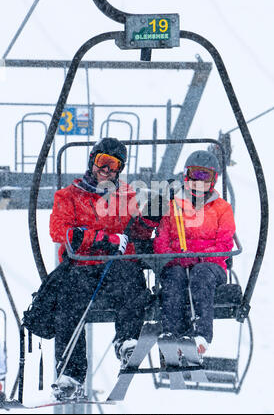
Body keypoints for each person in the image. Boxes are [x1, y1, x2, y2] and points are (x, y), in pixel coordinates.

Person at [49, 137, 152, 400]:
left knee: (133, 280)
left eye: (113, 165)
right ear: (92, 162)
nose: (106, 170)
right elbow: (60, 231)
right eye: (101, 163)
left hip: (116, 267)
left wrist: (150, 220)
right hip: (82, 266)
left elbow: (137, 233)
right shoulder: (69, 196)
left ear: (120, 169)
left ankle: (127, 341)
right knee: (69, 301)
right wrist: (104, 240)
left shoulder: (128, 196)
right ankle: (72, 373)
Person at [152, 150, 236, 357]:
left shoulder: (222, 208)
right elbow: (161, 241)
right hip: (177, 263)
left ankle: (201, 336)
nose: (198, 183)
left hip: (211, 267)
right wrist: (175, 258)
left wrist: (198, 258)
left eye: (204, 176)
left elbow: (224, 244)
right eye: (194, 175)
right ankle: (172, 334)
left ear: (213, 180)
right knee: (174, 278)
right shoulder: (173, 206)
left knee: (200, 275)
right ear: (185, 176)